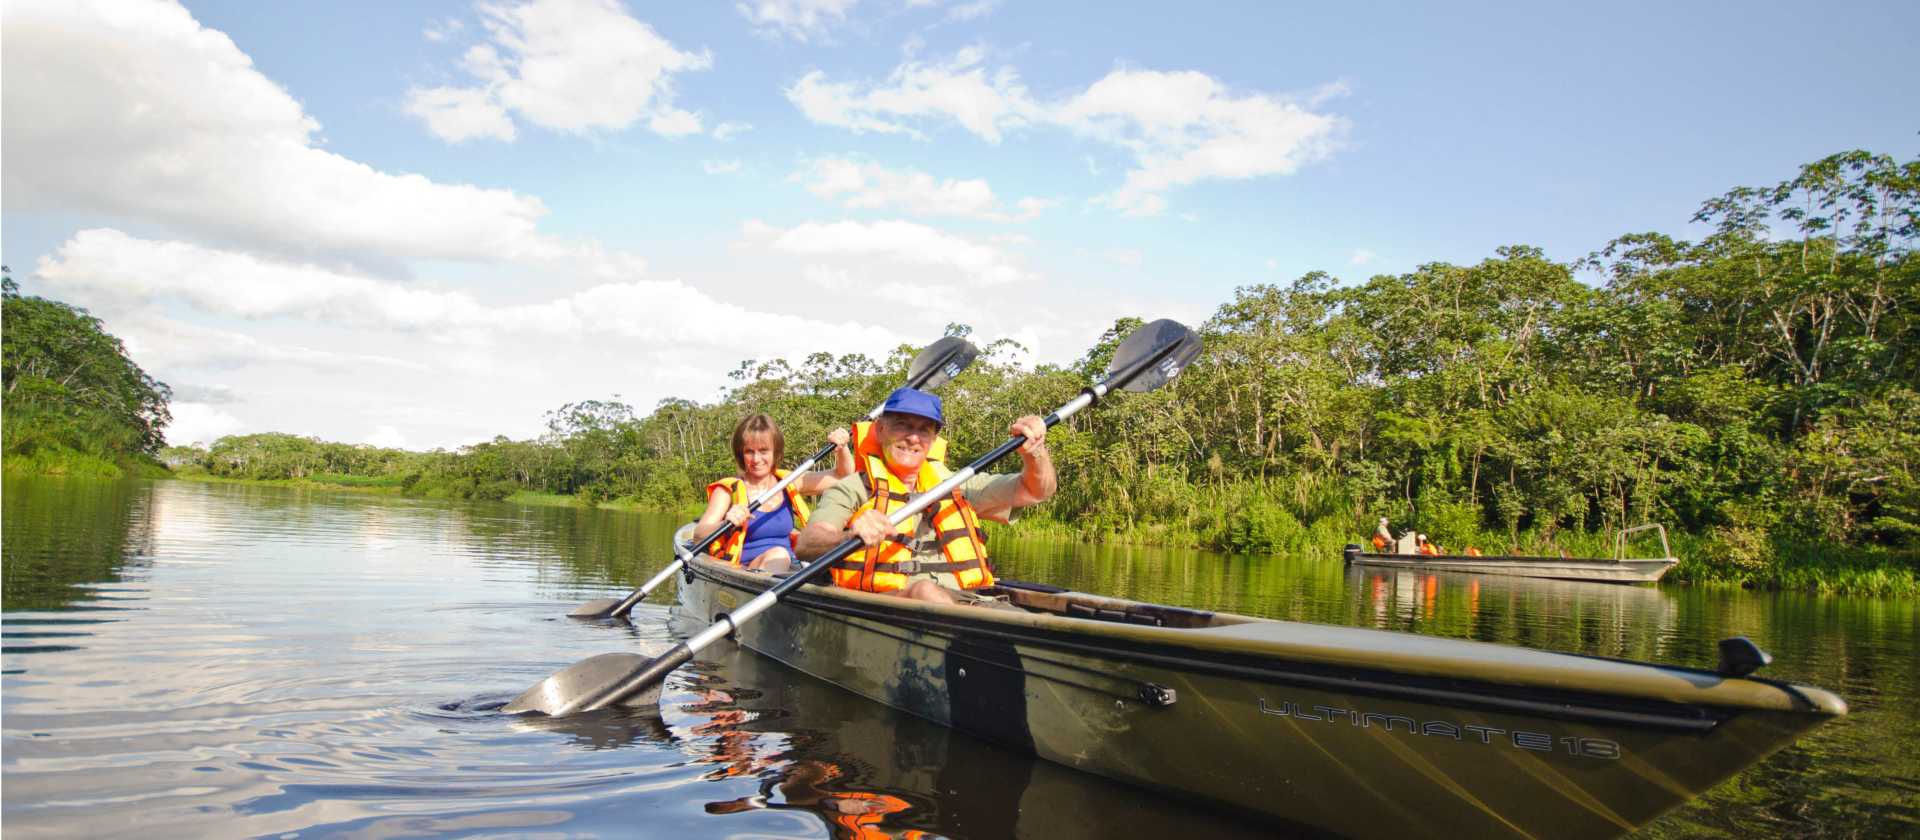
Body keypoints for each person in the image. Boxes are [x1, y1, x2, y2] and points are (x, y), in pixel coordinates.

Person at [795, 387, 1055, 605]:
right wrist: (850, 536)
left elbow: (1036, 491)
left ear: (933, 439)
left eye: (924, 430)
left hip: (971, 601)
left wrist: (1035, 453)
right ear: (880, 429)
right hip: (899, 606)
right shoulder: (853, 488)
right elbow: (807, 545)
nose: (913, 437)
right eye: (902, 426)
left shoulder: (957, 484)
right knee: (925, 592)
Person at [694, 414, 853, 573]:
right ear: (741, 454)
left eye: (763, 451)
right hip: (748, 571)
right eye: (749, 451)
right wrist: (726, 523)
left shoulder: (787, 482)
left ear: (775, 451)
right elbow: (699, 536)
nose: (756, 459)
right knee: (779, 554)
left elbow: (841, 476)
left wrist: (842, 449)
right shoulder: (727, 491)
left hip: (788, 569)